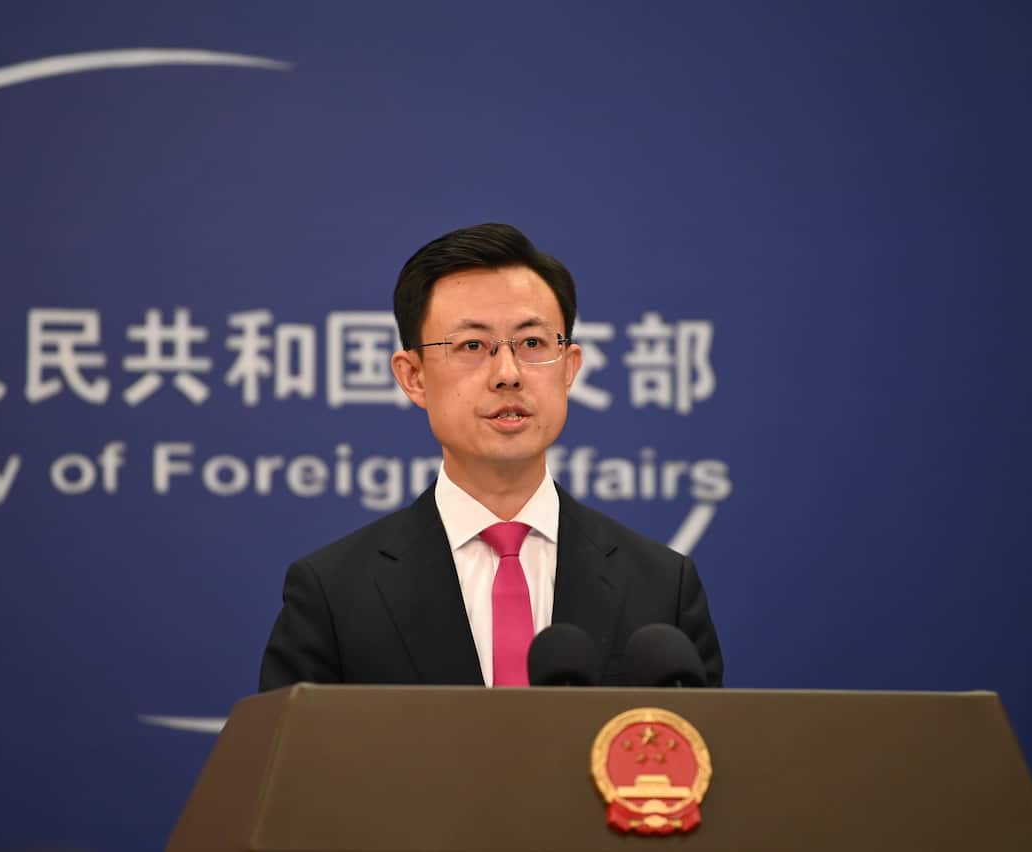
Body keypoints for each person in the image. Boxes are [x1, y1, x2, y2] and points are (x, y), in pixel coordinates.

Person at [259, 223, 722, 689]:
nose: (508, 374)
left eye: (533, 344)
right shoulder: (333, 594)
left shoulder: (662, 587)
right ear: (413, 376)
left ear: (570, 368)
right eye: (473, 346)